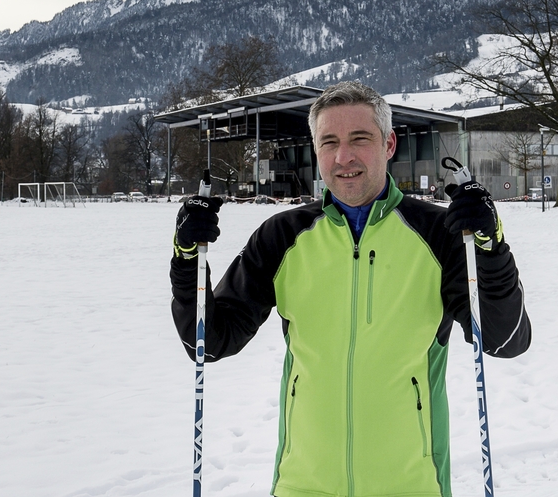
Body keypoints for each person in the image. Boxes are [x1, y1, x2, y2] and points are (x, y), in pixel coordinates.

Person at [170, 81, 531, 497]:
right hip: (303, 486)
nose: (344, 157)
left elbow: (506, 340)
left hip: (411, 486)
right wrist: (187, 259)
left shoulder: (440, 235)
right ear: (316, 150)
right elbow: (209, 342)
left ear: (389, 143)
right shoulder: (282, 236)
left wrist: (490, 248)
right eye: (329, 142)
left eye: (360, 138)